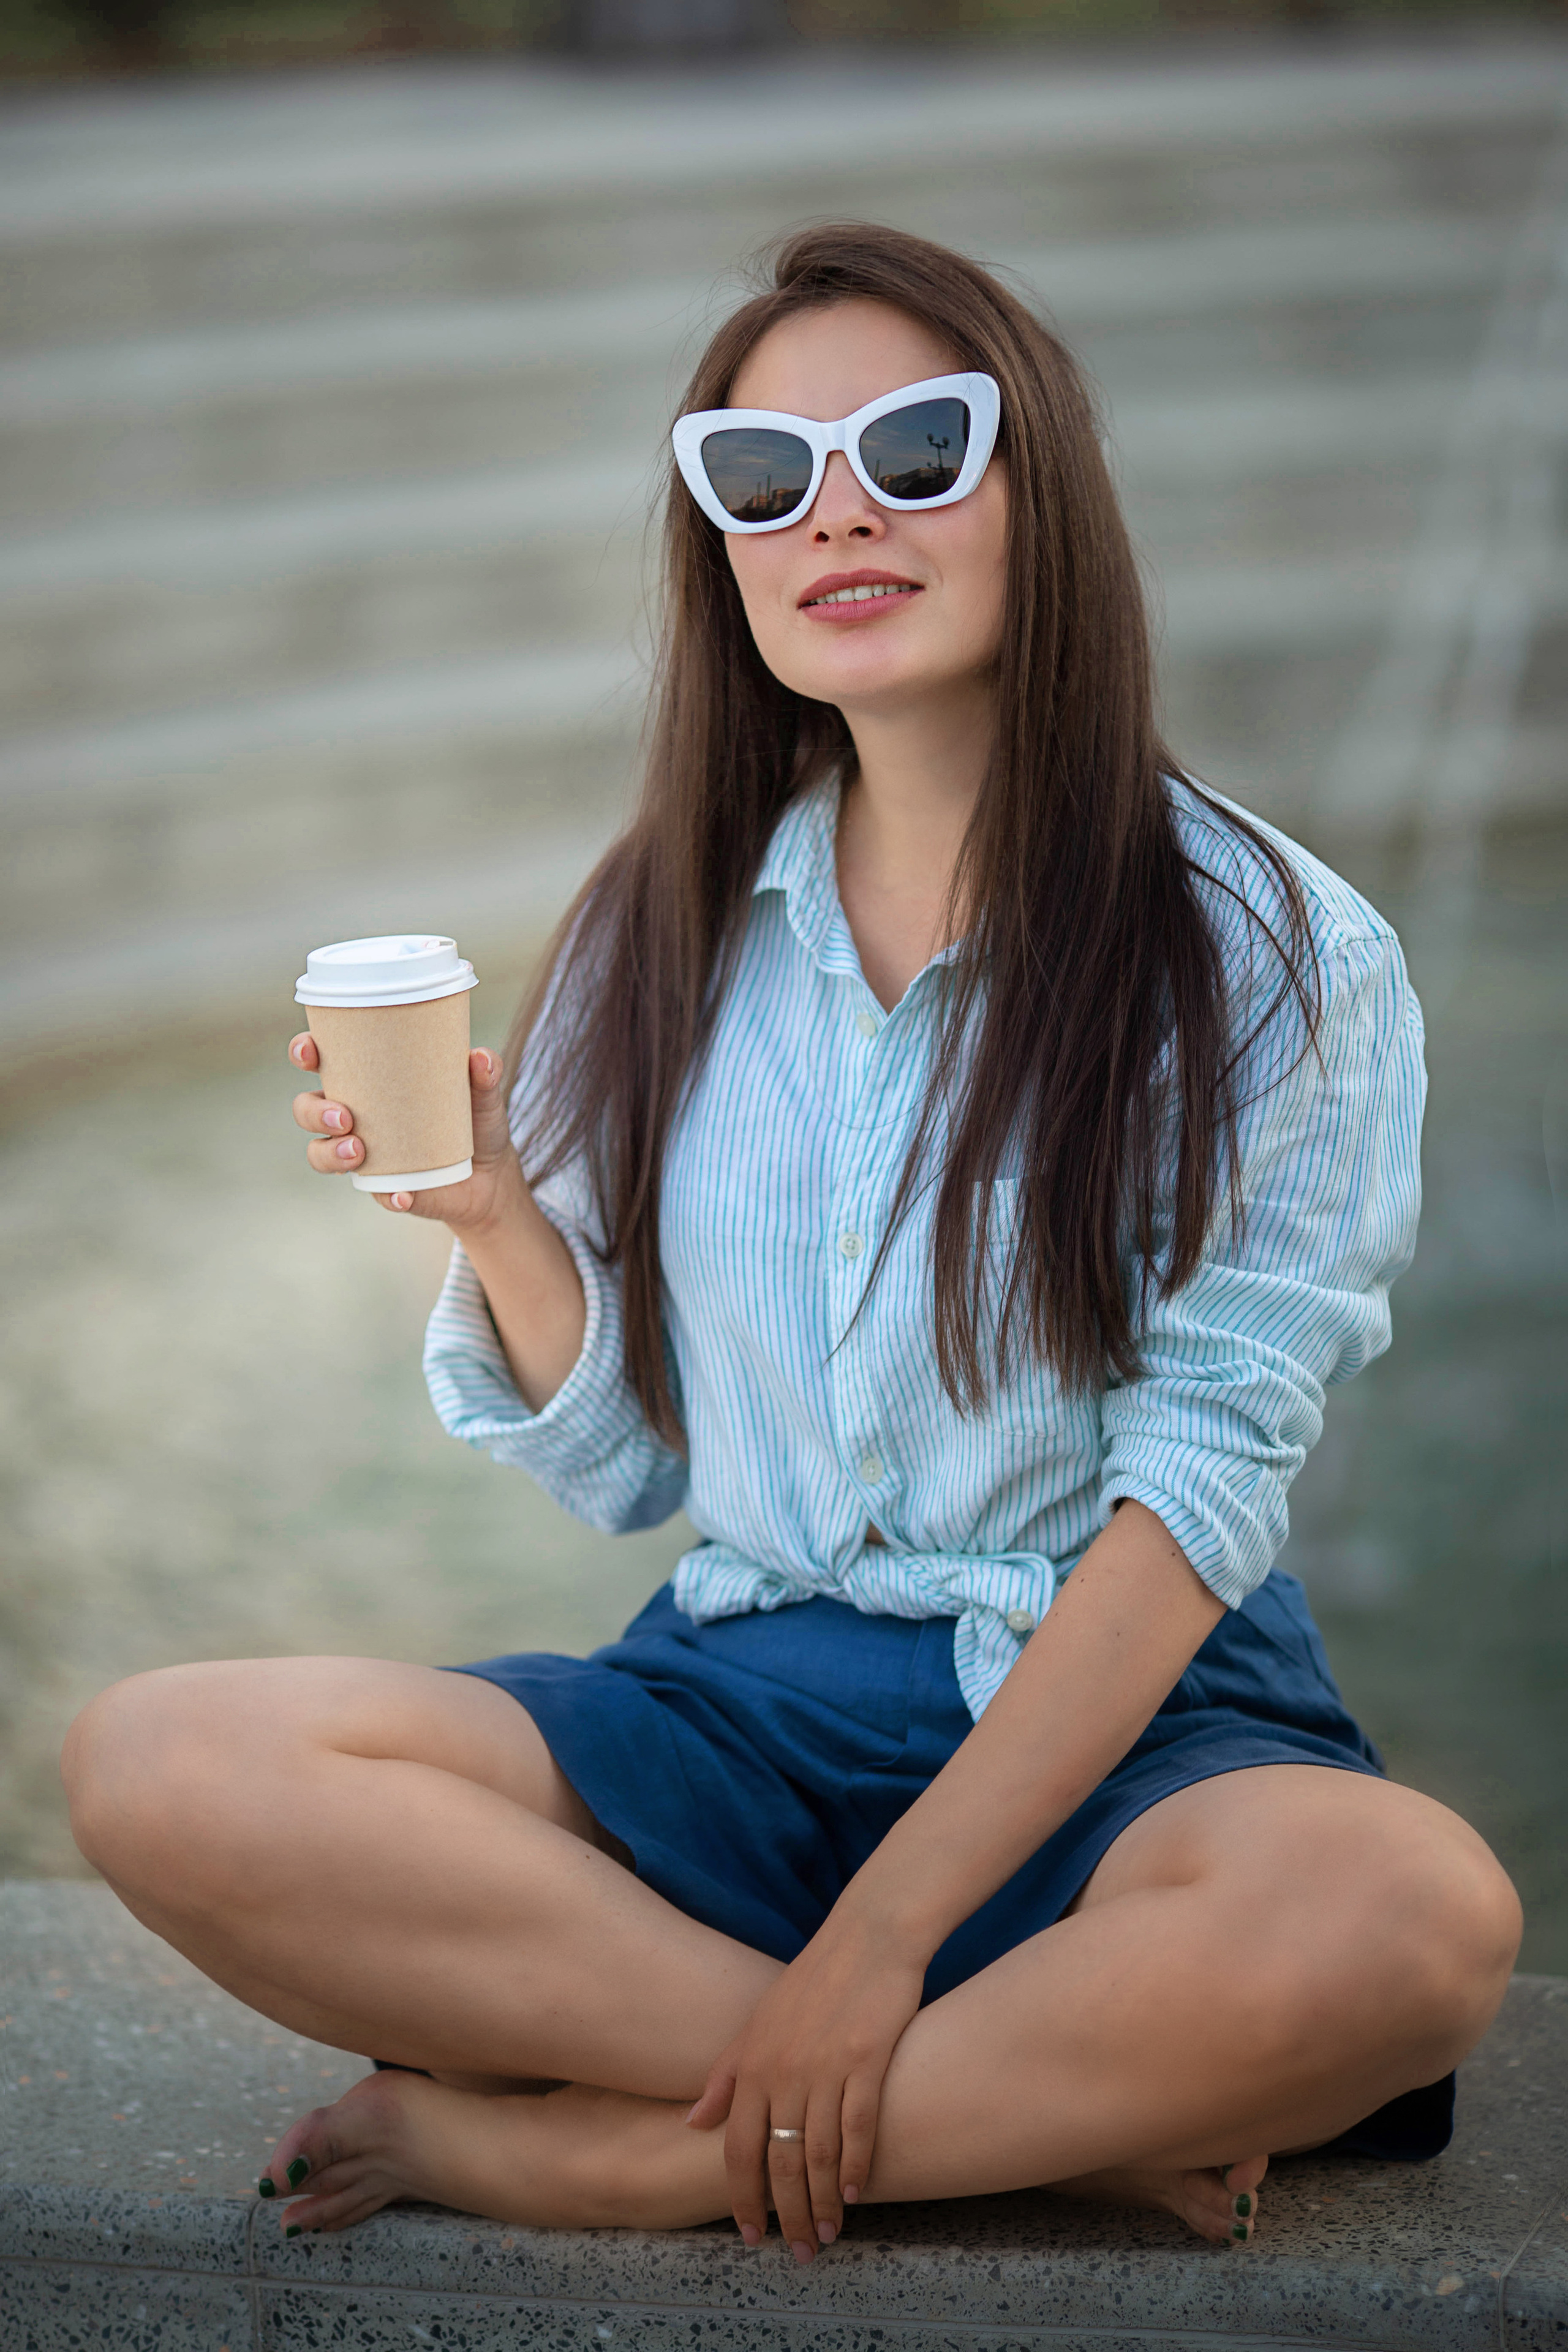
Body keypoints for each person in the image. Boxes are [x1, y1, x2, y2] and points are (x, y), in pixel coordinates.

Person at [62, 224, 1521, 2264]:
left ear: (1045, 496)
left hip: (1125, 1727)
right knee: (165, 1760)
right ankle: (1039, 2119)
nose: (836, 508)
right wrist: (487, 1215)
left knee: (1414, 1912)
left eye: (917, 450)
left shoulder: (1274, 950)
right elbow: (636, 1472)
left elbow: (1195, 1504)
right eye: (762, 473)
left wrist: (892, 1926)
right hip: (742, 1703)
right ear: (723, 549)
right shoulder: (660, 925)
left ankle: (626, 2151)